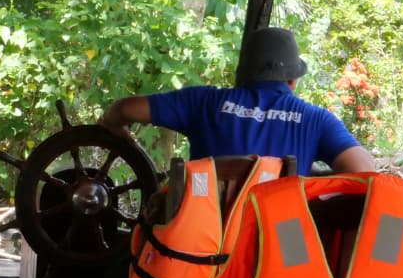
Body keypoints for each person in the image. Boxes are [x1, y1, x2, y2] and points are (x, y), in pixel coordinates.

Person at [99, 27, 375, 175]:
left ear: (240, 75)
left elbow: (124, 109)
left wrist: (115, 128)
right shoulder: (316, 120)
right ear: (292, 80)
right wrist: (308, 178)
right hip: (280, 252)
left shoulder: (203, 102)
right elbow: (362, 170)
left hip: (205, 246)